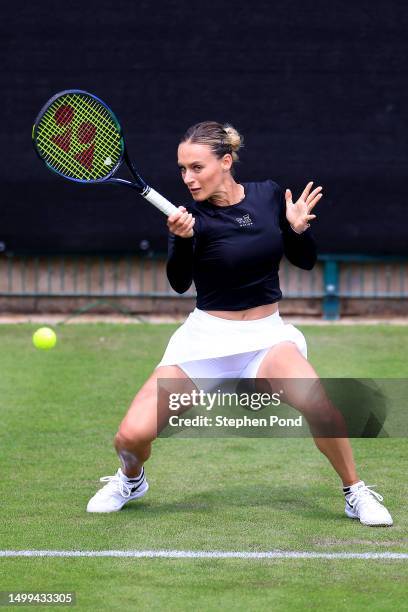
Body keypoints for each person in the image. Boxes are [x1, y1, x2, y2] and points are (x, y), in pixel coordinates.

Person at [87, 121, 393, 527]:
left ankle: (355, 491)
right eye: (182, 169)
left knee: (322, 407)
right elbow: (180, 283)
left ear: (226, 162)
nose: (188, 178)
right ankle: (131, 479)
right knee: (130, 437)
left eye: (197, 167)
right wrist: (180, 240)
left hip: (266, 339)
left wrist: (297, 230)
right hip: (205, 344)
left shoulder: (267, 195)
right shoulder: (190, 219)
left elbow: (303, 260)